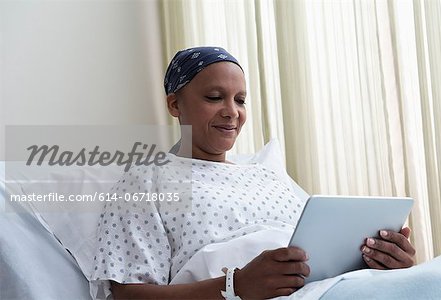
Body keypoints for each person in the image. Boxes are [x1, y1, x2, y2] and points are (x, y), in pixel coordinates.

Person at [90, 46, 416, 299]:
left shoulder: (267, 176)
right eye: (214, 97)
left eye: (241, 100)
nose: (232, 112)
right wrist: (237, 287)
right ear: (175, 104)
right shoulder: (146, 181)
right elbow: (129, 294)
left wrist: (383, 262)